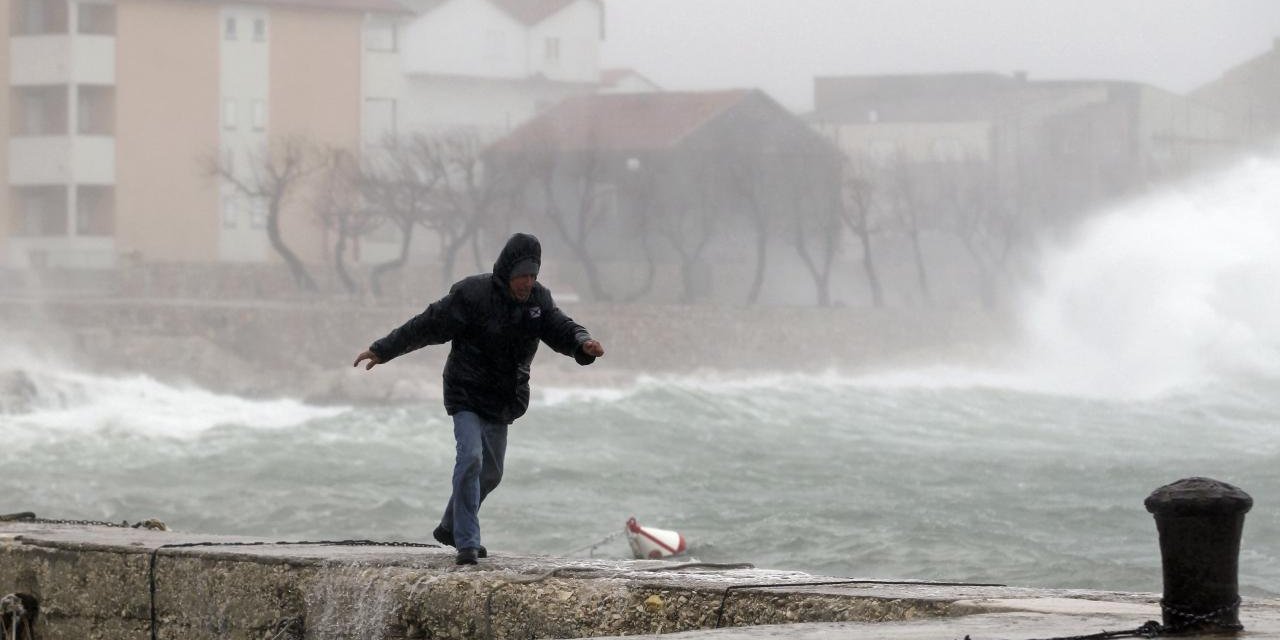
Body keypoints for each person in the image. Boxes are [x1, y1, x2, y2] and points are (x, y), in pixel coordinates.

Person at [353, 233, 604, 565]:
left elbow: (560, 326)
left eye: (533, 275)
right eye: (521, 276)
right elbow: (427, 324)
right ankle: (467, 542)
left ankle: (449, 525)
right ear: (506, 272)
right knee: (471, 457)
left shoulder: (537, 301)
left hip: (502, 398)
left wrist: (582, 342)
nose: (527, 282)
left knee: (492, 473)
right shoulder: (473, 295)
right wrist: (384, 349)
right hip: (466, 393)